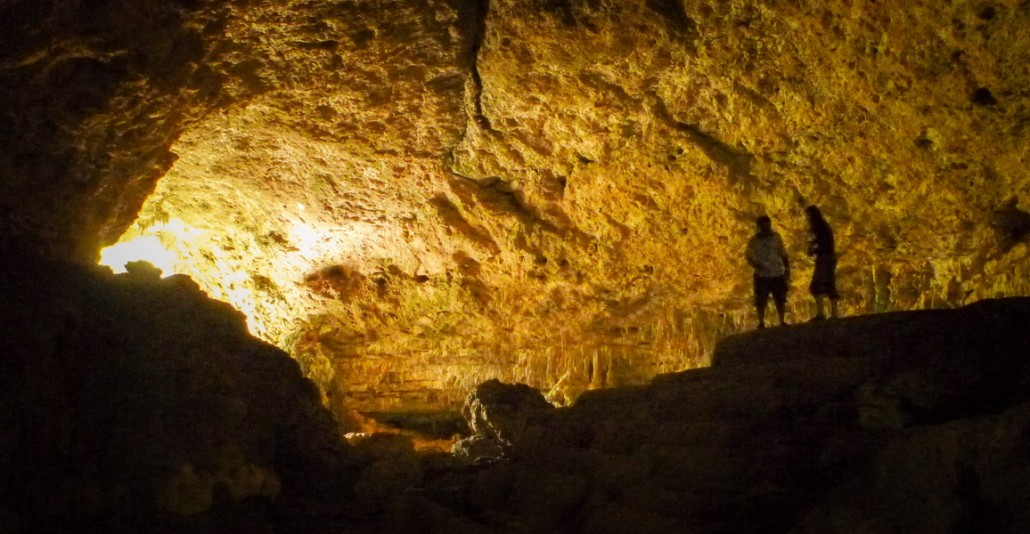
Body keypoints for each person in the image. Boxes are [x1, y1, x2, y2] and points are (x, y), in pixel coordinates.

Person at [745, 215, 790, 328]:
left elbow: (783, 253)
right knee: (761, 300)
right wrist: (756, 265)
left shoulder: (776, 237)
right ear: (759, 227)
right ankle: (761, 322)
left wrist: (787, 268)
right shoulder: (754, 241)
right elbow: (748, 256)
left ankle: (782, 320)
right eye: (764, 226)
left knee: (780, 298)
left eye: (768, 225)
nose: (767, 228)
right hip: (762, 275)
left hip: (777, 272)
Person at [805, 205, 840, 320]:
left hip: (824, 257)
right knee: (830, 284)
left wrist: (813, 250)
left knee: (816, 285)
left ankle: (821, 313)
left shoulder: (819, 227)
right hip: (831, 257)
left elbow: (823, 244)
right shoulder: (824, 226)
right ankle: (834, 313)